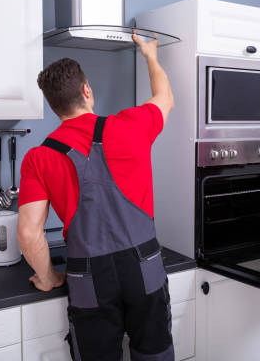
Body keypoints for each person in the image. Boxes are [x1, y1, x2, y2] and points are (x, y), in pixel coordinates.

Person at [17, 34, 175, 361]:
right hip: (143, 265)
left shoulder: (38, 157)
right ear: (86, 91)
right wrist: (150, 55)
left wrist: (48, 277)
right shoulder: (131, 125)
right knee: (156, 354)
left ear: (52, 104)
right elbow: (165, 97)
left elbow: (29, 232)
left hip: (87, 276)